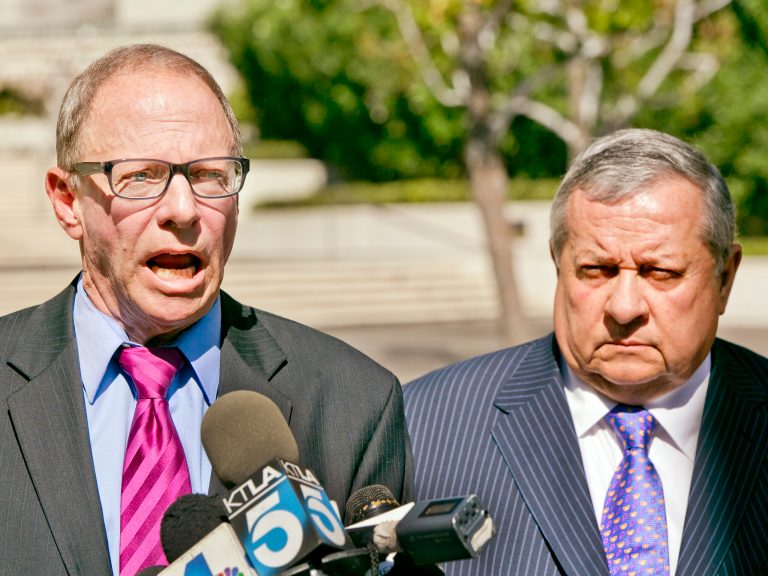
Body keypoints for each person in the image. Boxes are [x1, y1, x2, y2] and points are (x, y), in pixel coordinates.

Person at [0, 44, 412, 575]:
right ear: (67, 201)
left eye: (210, 175)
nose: (183, 209)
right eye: (141, 175)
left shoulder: (353, 403)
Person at [404, 128, 768, 575]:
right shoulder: (423, 425)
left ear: (725, 279)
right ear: (559, 264)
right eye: (597, 270)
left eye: (661, 272)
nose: (624, 307)